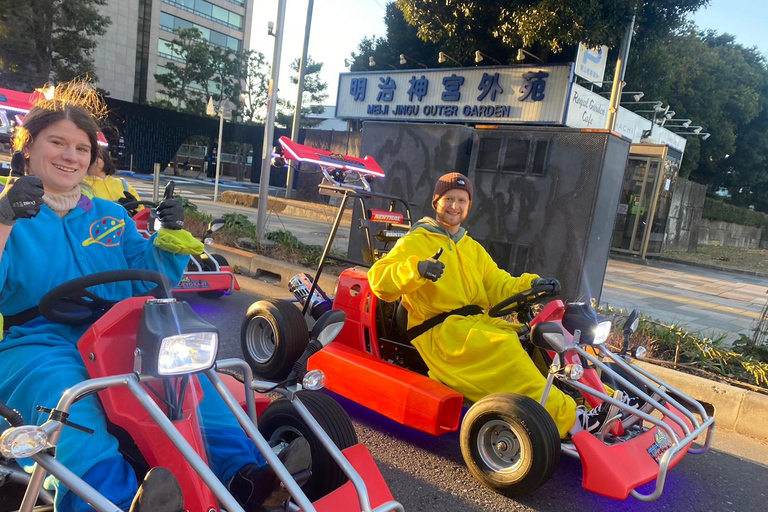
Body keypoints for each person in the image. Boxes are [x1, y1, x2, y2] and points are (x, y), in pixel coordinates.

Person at [0, 81, 309, 512]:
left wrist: (165, 238)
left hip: (117, 332)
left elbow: (148, 278)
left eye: (82, 148)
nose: (71, 156)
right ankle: (114, 499)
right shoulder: (8, 210)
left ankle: (246, 480)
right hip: (40, 339)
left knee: (193, 381)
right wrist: (5, 219)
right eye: (58, 143)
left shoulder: (107, 214)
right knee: (72, 400)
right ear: (28, 147)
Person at [368, 172, 625, 440]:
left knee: (536, 341)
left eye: (461, 200)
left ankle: (601, 404)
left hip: (474, 324)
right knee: (504, 346)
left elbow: (497, 283)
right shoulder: (417, 241)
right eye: (448, 199)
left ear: (468, 206)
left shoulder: (471, 247)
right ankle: (571, 421)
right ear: (436, 202)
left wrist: (532, 284)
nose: (454, 206)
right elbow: (379, 280)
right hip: (440, 331)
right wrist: (417, 270)